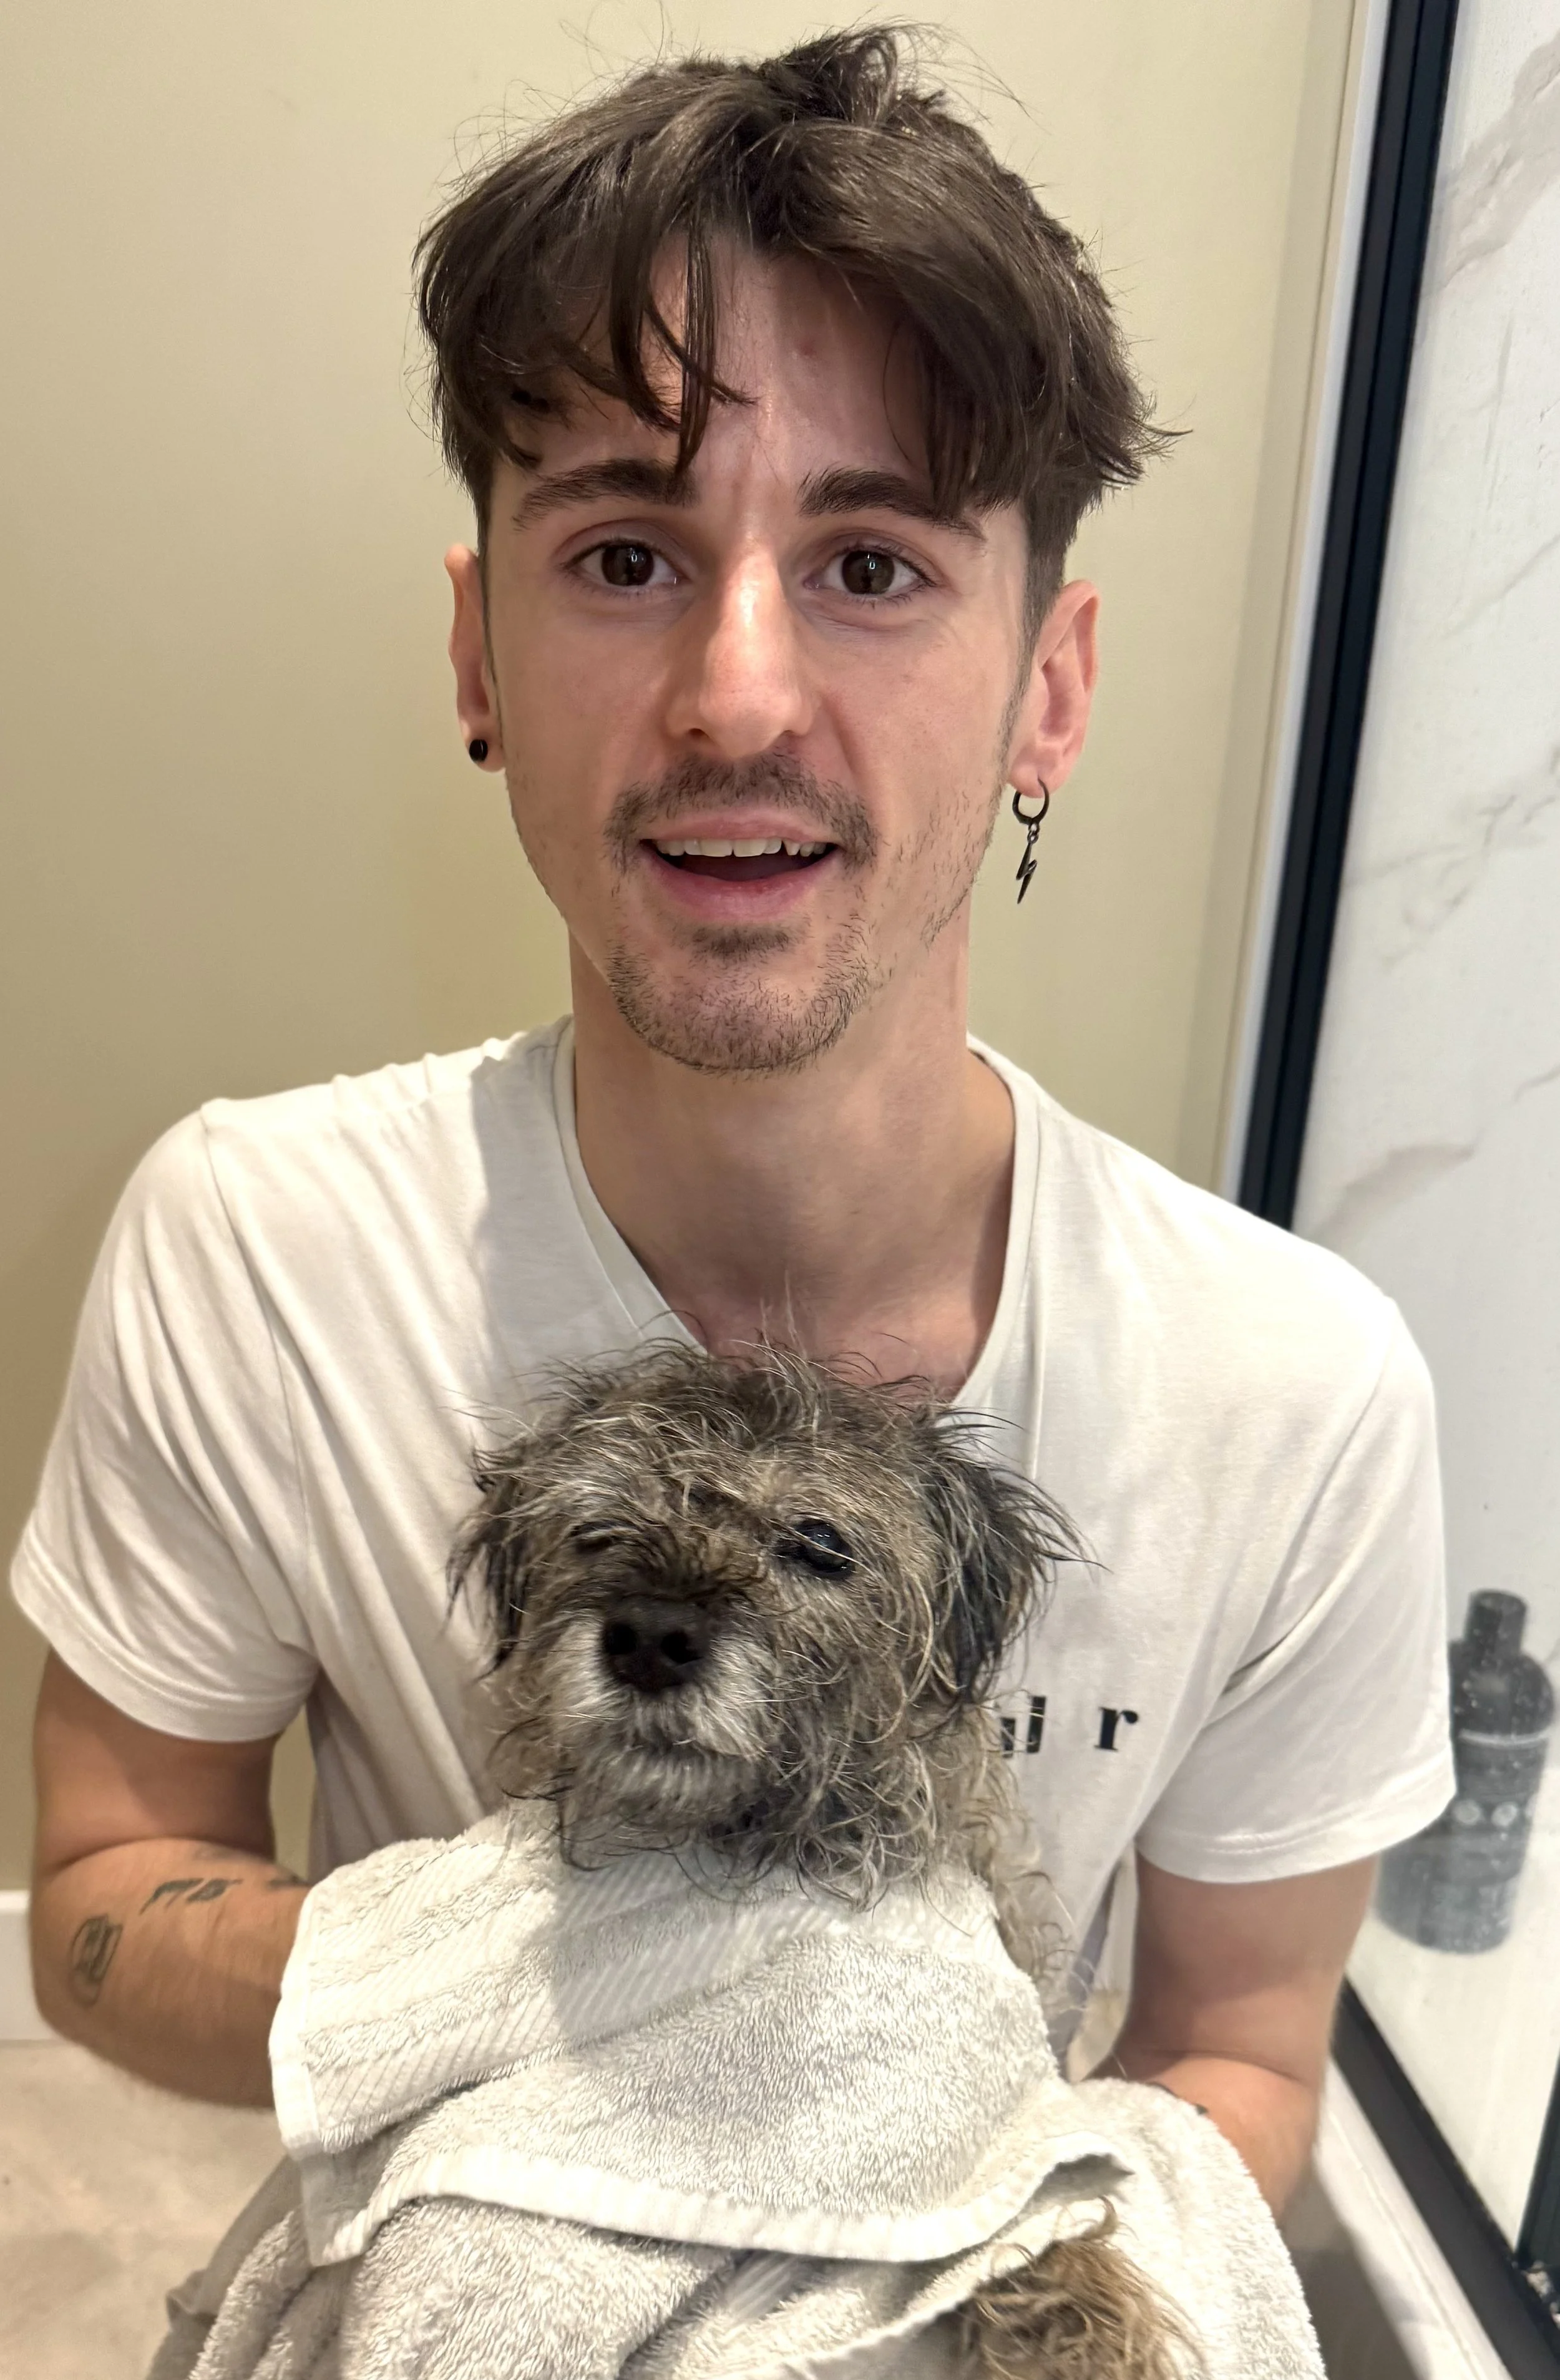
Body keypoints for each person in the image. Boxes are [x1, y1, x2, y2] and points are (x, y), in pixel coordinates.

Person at [15, 27, 1451, 2215]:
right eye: (623, 555)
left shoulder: (1296, 1392)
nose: (738, 694)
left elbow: (1236, 2052)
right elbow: (109, 1901)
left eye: (873, 565)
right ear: (480, 657)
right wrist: (555, 1977)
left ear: (1050, 687)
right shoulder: (255, 1244)